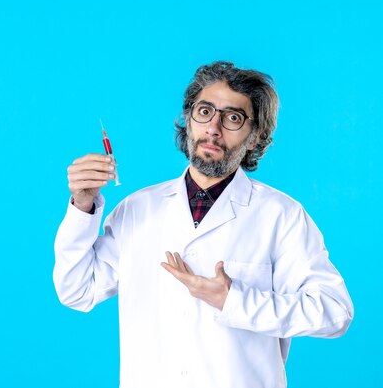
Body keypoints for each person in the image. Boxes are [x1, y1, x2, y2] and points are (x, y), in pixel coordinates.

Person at [53, 61, 353, 388]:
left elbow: (334, 312)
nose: (213, 127)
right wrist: (83, 205)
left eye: (233, 117)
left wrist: (234, 300)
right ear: (188, 119)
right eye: (205, 111)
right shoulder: (138, 209)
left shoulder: (281, 215)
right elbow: (76, 290)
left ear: (255, 138)